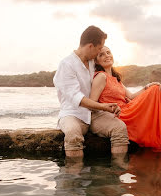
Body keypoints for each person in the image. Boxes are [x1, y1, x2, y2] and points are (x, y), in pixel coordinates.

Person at [90, 46, 161, 151]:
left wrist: (147, 87)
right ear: (96, 61)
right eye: (101, 55)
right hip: (118, 113)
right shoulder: (101, 76)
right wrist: (107, 111)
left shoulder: (115, 78)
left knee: (155, 88)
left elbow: (131, 96)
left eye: (108, 52)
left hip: (127, 109)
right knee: (155, 91)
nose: (107, 56)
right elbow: (92, 103)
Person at [53, 26, 129, 159]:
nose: (100, 52)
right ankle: (74, 177)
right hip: (72, 113)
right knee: (73, 133)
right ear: (90, 46)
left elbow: (109, 80)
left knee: (119, 128)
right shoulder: (67, 65)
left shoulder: (92, 62)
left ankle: (117, 172)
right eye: (99, 49)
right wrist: (104, 107)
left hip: (94, 114)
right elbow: (78, 99)